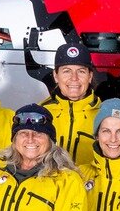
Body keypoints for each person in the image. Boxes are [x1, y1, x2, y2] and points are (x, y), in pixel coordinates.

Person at [38, 42, 101, 171]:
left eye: (81, 71)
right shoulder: (40, 113)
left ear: (90, 76)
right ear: (56, 76)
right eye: (66, 71)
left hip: (89, 188)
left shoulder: (104, 117)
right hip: (47, 187)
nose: (74, 78)